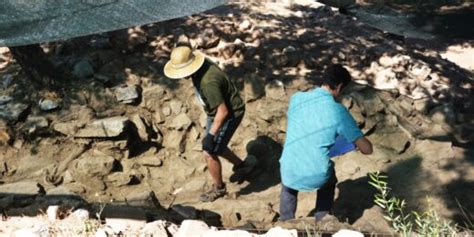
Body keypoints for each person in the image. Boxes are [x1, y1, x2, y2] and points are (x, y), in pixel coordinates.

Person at [279, 64, 373, 221]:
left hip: (288, 169)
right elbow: (367, 149)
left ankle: (285, 220)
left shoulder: (296, 98)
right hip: (316, 174)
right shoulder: (338, 111)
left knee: (289, 180)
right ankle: (322, 220)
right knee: (329, 177)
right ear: (340, 86)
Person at [164, 46, 255, 202]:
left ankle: (218, 188)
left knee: (209, 151)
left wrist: (211, 135)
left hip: (229, 114)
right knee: (216, 145)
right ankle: (242, 166)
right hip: (216, 112)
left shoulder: (208, 82)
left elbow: (223, 111)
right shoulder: (202, 65)